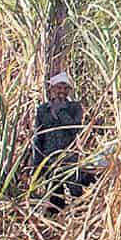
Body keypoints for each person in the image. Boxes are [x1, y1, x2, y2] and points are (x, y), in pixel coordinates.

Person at [32, 72, 84, 213]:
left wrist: (61, 111)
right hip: (50, 159)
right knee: (54, 197)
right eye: (58, 88)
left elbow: (75, 129)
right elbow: (39, 137)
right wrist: (37, 164)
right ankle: (57, 225)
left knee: (75, 192)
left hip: (69, 158)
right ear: (51, 90)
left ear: (68, 91)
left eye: (65, 88)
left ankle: (79, 221)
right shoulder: (42, 110)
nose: (61, 91)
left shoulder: (75, 108)